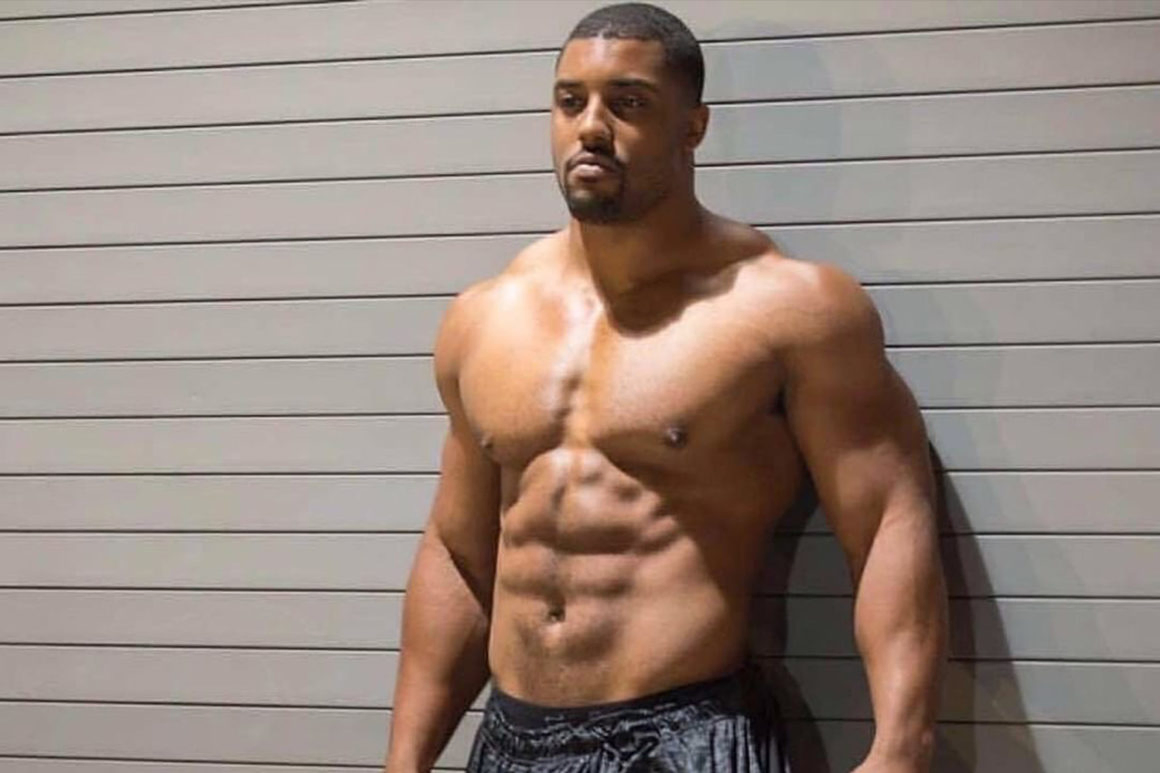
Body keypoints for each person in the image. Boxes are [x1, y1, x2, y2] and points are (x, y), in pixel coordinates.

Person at [383, 3, 947, 771]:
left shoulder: (789, 308)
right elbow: (458, 555)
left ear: (693, 127)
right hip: (512, 738)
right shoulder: (483, 317)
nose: (590, 126)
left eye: (629, 102)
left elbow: (886, 522)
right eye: (570, 100)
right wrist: (406, 760)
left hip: (686, 734)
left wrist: (902, 745)